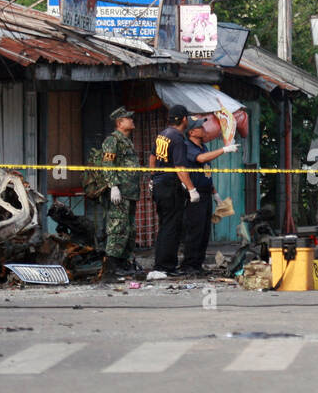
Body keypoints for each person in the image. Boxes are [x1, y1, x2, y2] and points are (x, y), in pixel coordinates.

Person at [178, 119, 239, 275]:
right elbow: (201, 159)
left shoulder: (202, 146)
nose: (203, 129)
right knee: (194, 231)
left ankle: (198, 264)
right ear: (191, 132)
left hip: (205, 193)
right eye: (199, 127)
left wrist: (215, 193)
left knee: (205, 231)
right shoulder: (188, 146)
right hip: (194, 195)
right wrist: (224, 150)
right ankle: (189, 265)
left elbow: (206, 173)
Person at [150, 104, 198, 275]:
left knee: (165, 225)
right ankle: (166, 266)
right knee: (172, 227)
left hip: (159, 185)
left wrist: (153, 177)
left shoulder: (162, 135)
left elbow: (152, 157)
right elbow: (180, 167)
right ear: (184, 119)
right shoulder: (178, 138)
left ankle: (161, 264)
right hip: (170, 186)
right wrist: (192, 189)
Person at [100, 106, 141, 274]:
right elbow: (107, 164)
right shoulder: (113, 140)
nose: (132, 120)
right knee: (118, 228)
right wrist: (113, 186)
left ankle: (124, 262)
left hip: (130, 192)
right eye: (128, 118)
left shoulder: (127, 141)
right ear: (120, 122)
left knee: (129, 229)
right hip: (120, 193)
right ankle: (112, 265)